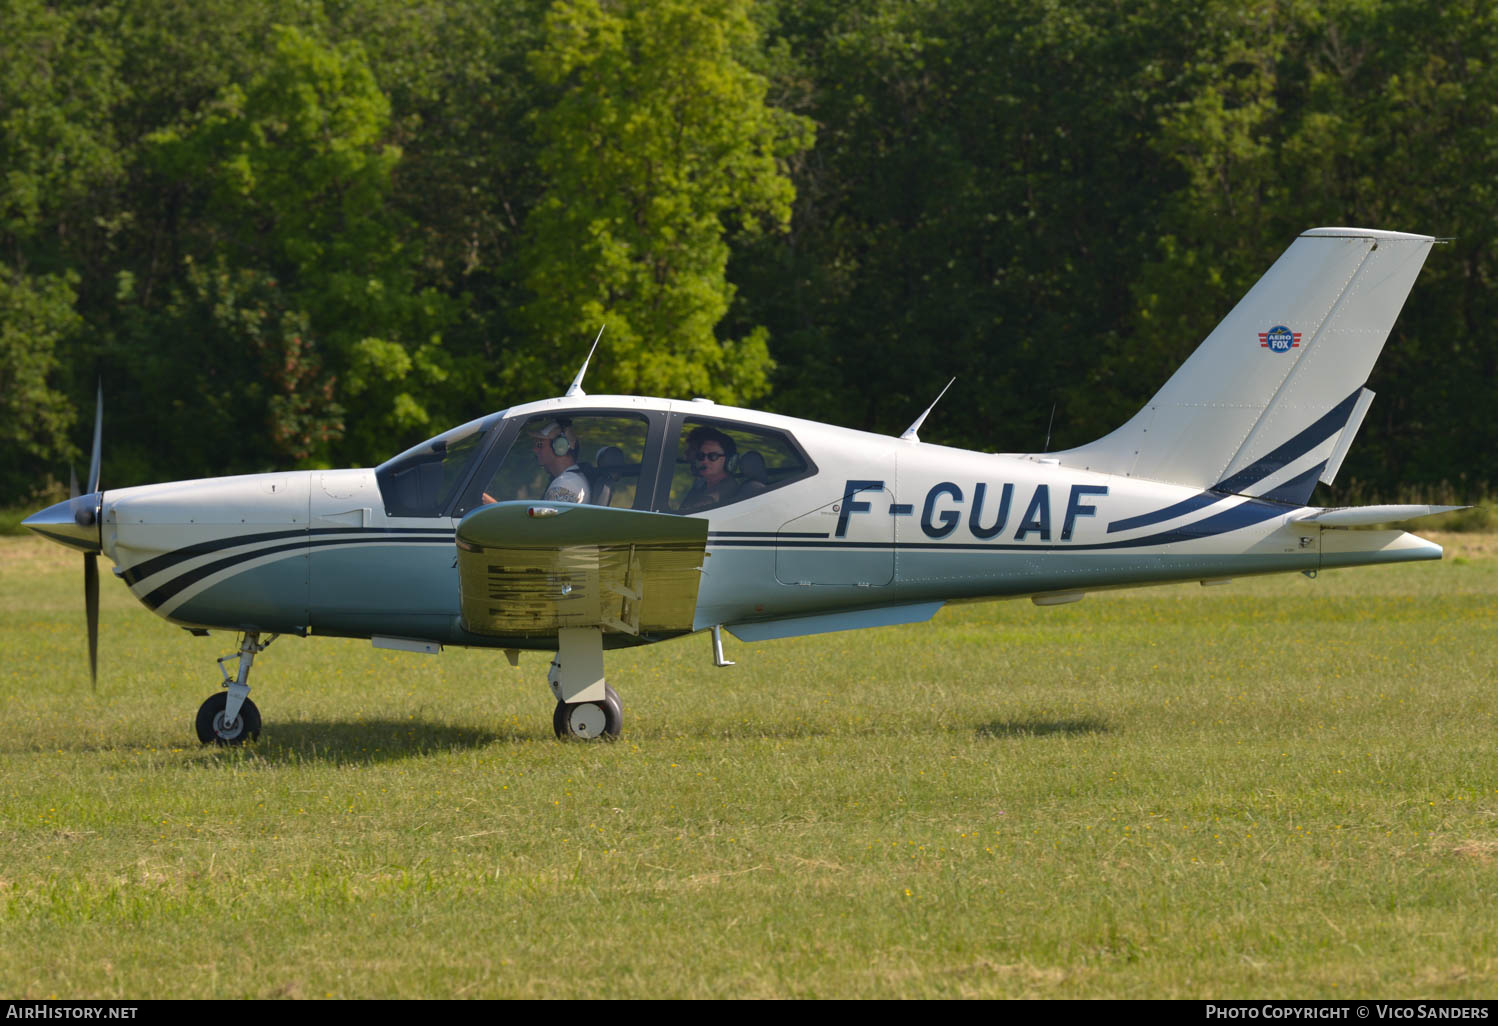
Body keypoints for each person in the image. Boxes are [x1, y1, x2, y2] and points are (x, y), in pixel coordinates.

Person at [678, 426, 738, 512]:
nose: (704, 460)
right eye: (701, 455)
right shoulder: (701, 483)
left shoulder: (727, 487)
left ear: (729, 460)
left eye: (713, 456)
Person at [532, 419, 591, 503]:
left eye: (540, 444)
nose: (535, 449)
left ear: (560, 447)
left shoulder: (564, 485)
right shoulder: (570, 480)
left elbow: (549, 516)